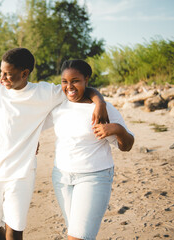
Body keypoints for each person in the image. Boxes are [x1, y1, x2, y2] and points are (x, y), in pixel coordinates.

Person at [0, 48, 109, 240]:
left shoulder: (43, 93)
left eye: (8, 74)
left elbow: (78, 88)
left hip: (21, 173)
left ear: (25, 73)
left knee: (14, 229)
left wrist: (100, 102)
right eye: (1, 72)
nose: (2, 78)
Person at [43, 59, 134, 240]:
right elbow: (28, 122)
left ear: (86, 79)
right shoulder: (57, 106)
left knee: (78, 237)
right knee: (76, 233)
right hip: (61, 178)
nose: (69, 86)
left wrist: (118, 129)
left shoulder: (103, 110)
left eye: (75, 80)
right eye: (64, 81)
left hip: (95, 176)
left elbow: (127, 146)